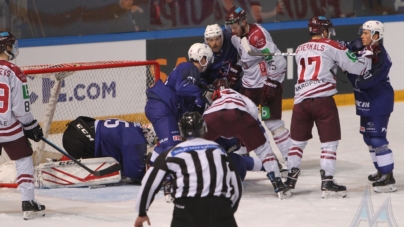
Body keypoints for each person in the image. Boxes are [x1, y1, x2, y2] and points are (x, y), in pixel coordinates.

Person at [285, 16, 373, 198]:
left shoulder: (300, 49)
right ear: (324, 31)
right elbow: (355, 67)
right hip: (323, 102)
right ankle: (327, 182)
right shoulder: (332, 45)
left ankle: (290, 179)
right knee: (329, 144)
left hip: (300, 102)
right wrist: (364, 59)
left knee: (296, 144)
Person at [134, 112, 242, 227]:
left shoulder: (171, 153)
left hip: (186, 210)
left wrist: (142, 212)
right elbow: (236, 184)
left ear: (182, 131)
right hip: (219, 206)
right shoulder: (219, 150)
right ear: (204, 128)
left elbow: (150, 183)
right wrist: (227, 210)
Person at [224, 6, 291, 167]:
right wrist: (237, 68)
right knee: (242, 121)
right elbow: (246, 57)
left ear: (243, 22)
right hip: (249, 87)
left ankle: (291, 160)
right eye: (230, 27)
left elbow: (279, 62)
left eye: (234, 26)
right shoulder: (236, 36)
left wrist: (272, 83)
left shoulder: (258, 37)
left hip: (266, 85)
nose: (232, 30)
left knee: (273, 124)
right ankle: (247, 155)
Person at [203, 78, 290, 199]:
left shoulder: (211, 99)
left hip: (212, 117)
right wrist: (244, 134)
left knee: (198, 147)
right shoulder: (239, 95)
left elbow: (205, 119)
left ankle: (191, 178)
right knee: (264, 150)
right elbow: (253, 111)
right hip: (239, 115)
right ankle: (277, 183)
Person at [342, 20, 396, 193]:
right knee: (368, 138)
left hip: (379, 100)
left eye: (366, 33)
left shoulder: (380, 58)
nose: (362, 36)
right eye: (362, 32)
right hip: (366, 99)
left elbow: (363, 82)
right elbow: (342, 47)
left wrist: (346, 68)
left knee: (377, 138)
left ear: (376, 36)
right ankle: (381, 170)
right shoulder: (365, 48)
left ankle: (388, 177)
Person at [0, 31, 46, 219]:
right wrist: (31, 125)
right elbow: (21, 107)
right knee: (24, 157)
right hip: (8, 126)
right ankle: (28, 202)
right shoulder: (14, 71)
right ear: (7, 48)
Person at [145, 42, 213, 164]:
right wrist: (203, 93)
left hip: (162, 107)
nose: (207, 63)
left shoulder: (192, 75)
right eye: (207, 59)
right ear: (202, 58)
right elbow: (182, 88)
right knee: (173, 146)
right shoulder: (191, 68)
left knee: (169, 143)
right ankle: (163, 177)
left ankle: (151, 167)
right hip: (162, 107)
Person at [61, 116, 156, 183]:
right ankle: (66, 161)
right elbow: (134, 172)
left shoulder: (134, 127)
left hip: (78, 127)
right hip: (79, 139)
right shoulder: (136, 140)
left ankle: (67, 158)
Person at [202, 23, 242, 90]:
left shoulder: (230, 38)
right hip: (214, 90)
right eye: (211, 40)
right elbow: (200, 78)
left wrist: (239, 65)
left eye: (217, 39)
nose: (214, 43)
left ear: (222, 37)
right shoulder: (202, 53)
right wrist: (208, 88)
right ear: (206, 41)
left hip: (236, 84)